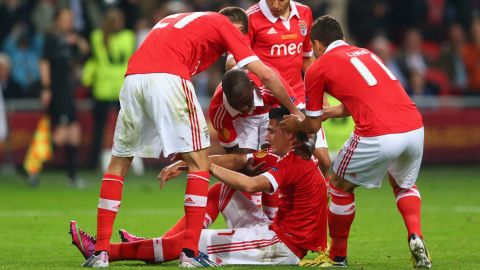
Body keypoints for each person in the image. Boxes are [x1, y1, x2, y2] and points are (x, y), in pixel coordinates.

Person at [83, 7, 302, 268]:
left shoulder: (177, 20)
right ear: (239, 30)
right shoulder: (225, 26)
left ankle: (101, 252)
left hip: (133, 78)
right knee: (200, 163)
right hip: (169, 76)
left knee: (118, 163)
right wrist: (296, 112)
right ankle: (189, 252)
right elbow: (266, 74)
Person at [70, 107, 328, 266]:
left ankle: (108, 252)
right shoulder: (293, 156)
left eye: (272, 131)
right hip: (276, 231)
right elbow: (241, 161)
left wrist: (207, 166)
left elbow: (251, 183)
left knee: (192, 243)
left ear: (290, 134)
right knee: (222, 191)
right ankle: (156, 243)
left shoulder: (295, 162)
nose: (267, 136)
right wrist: (190, 163)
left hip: (279, 245)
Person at [280, 15, 432, 268]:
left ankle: (337, 256)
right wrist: (328, 112)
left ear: (317, 45)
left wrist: (297, 124)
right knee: (404, 184)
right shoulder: (366, 53)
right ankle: (415, 234)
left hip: (379, 132)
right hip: (414, 126)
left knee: (338, 185)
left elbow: (312, 125)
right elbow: (360, 100)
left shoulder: (318, 67)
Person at [226, 0, 331, 176]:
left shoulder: (305, 13)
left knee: (323, 161)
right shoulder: (250, 17)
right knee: (265, 166)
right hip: (267, 104)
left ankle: (319, 204)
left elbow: (307, 58)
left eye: (280, 0)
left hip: (297, 99)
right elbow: (231, 61)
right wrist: (242, 66)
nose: (275, 5)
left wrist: (321, 92)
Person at [38, 8, 89, 188]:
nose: (69, 21)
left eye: (70, 18)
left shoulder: (71, 40)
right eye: (65, 18)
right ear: (57, 20)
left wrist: (81, 47)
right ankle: (32, 167)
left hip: (68, 90)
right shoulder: (51, 38)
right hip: (57, 89)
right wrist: (46, 87)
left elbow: (77, 59)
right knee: (61, 135)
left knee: (74, 133)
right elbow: (44, 63)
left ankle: (72, 177)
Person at [82, 8, 136, 170]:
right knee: (127, 127)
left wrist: (87, 79)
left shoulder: (96, 37)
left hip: (102, 89)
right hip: (122, 88)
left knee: (99, 129)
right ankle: (129, 162)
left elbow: (94, 61)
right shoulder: (129, 37)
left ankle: (94, 163)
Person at [209, 69, 297, 153]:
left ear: (252, 85)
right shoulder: (217, 111)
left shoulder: (271, 86)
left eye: (246, 101)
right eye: (237, 105)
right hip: (238, 120)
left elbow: (298, 112)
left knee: (276, 151)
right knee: (248, 159)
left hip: (269, 110)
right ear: (227, 98)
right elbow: (233, 149)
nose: (244, 109)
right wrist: (245, 163)